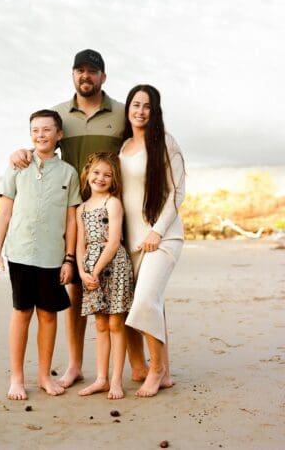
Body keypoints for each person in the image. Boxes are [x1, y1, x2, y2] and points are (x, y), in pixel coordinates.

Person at [11, 49, 147, 388]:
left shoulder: (120, 112)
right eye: (79, 71)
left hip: (116, 211)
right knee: (75, 289)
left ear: (103, 76)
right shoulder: (58, 115)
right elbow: (42, 144)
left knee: (124, 287)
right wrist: (22, 152)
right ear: (73, 75)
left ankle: (138, 364)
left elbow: (141, 144)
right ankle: (75, 365)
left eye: (92, 71)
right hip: (74, 214)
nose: (85, 76)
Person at [0, 109, 82, 400]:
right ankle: (17, 378)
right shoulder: (18, 166)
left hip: (52, 256)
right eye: (35, 130)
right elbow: (4, 212)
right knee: (21, 313)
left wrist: (69, 258)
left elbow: (71, 219)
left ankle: (44, 376)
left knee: (48, 315)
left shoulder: (69, 173)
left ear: (59, 135)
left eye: (46, 130)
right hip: (19, 252)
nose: (40, 135)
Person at [119, 84, 186, 397]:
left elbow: (178, 192)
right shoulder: (123, 146)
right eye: (135, 104)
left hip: (162, 239)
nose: (140, 111)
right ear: (128, 108)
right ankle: (157, 368)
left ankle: (156, 369)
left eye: (147, 106)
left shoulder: (165, 143)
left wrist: (157, 230)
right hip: (129, 242)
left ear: (154, 111)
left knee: (145, 299)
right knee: (142, 304)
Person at [76, 152, 134, 399]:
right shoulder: (81, 208)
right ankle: (101, 378)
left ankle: (117, 381)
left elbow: (113, 242)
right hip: (90, 269)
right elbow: (80, 244)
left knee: (115, 323)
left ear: (113, 180)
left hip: (114, 265)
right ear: (88, 173)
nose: (100, 178)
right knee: (100, 324)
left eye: (107, 175)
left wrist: (96, 270)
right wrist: (82, 272)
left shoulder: (113, 203)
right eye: (96, 172)